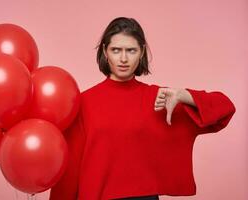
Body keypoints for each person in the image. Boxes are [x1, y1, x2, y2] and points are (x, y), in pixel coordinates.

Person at [49, 17, 236, 200]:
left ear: (142, 52)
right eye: (116, 50)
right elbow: (69, 172)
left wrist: (182, 95)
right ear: (105, 51)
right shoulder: (84, 102)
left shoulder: (160, 99)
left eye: (131, 50)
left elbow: (225, 109)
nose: (123, 58)